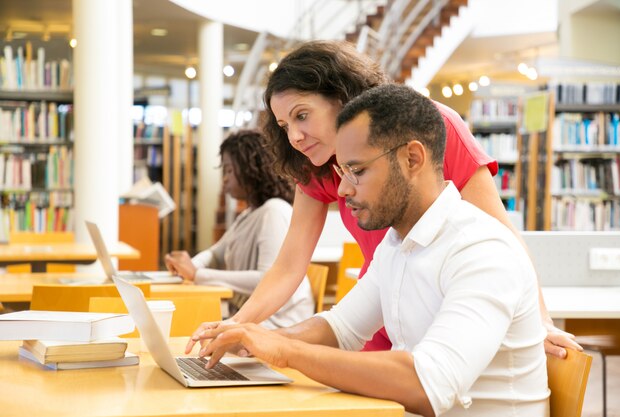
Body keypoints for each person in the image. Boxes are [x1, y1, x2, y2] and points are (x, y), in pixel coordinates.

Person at [190, 40, 579, 356]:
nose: (293, 136)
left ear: (342, 97)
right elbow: (289, 265)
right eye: (283, 125)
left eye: (302, 116)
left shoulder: (432, 129)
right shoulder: (315, 161)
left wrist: (540, 321)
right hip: (382, 302)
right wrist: (239, 327)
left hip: (448, 308)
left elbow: (502, 237)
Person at [190, 84, 551, 416]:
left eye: (357, 171)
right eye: (342, 171)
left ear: (412, 159)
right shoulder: (397, 243)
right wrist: (254, 340)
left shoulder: (482, 250)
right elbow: (340, 328)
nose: (343, 191)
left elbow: (427, 383)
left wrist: (284, 350)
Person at [165, 129, 314, 329]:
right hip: (253, 320)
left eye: (228, 170)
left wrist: (197, 274)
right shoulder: (248, 214)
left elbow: (266, 279)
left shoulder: (274, 212)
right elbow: (215, 254)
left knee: (188, 330)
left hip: (277, 325)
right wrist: (189, 266)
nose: (224, 179)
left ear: (251, 169)